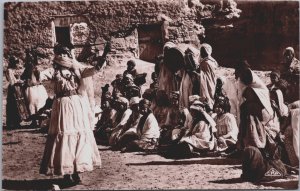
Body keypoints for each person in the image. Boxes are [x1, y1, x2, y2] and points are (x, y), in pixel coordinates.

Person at [39, 43, 109, 184]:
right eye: (61, 53)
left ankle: (77, 170)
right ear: (57, 55)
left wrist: (103, 56)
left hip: (76, 104)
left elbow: (92, 70)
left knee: (78, 134)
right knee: (65, 134)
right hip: (62, 105)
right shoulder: (54, 70)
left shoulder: (77, 69)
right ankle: (66, 172)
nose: (64, 56)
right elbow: (39, 76)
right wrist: (33, 68)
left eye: (66, 53)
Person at [238, 68, 280, 151]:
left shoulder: (262, 89)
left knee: (255, 130)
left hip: (260, 117)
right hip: (250, 113)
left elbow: (266, 108)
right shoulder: (246, 88)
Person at [21, 51, 48, 127]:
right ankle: (37, 121)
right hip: (37, 88)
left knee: (33, 103)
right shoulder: (34, 69)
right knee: (35, 104)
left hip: (33, 88)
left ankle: (36, 121)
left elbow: (29, 79)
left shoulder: (31, 69)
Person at [197, 43, 218, 109]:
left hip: (207, 83)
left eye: (203, 51)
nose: (202, 53)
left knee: (208, 96)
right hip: (213, 81)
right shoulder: (213, 61)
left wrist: (196, 74)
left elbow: (203, 76)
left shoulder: (204, 63)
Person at [5, 55, 24, 129]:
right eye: (16, 63)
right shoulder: (9, 70)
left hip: (17, 88)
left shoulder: (13, 70)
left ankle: (17, 122)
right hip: (13, 88)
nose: (17, 64)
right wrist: (20, 81)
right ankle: (11, 122)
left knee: (17, 104)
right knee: (12, 104)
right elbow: (12, 81)